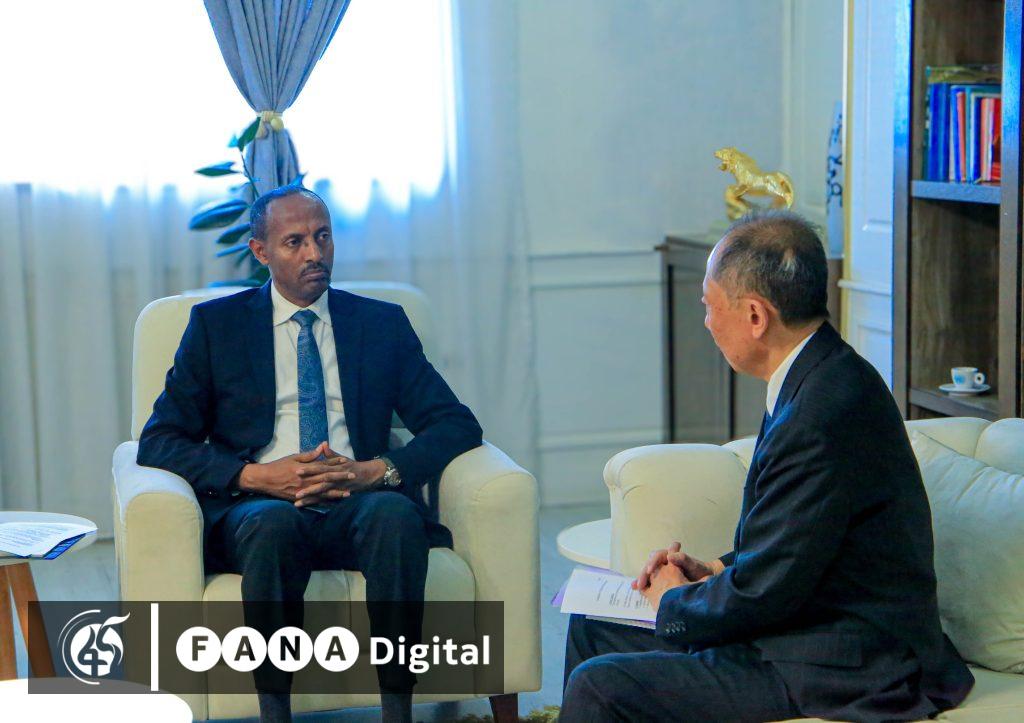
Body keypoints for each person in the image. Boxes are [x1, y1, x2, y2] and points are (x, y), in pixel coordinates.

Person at [561, 210, 974, 722]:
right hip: (803, 620)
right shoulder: (820, 372)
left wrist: (673, 601)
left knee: (600, 686)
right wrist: (714, 570)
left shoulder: (820, 414)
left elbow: (764, 594)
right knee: (592, 626)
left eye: (710, 305)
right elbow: (796, 545)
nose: (707, 322)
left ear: (756, 316)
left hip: (843, 658)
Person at [137, 185, 483, 723]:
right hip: (260, 508)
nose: (314, 254)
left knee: (394, 517)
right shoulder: (217, 328)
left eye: (322, 237)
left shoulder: (379, 325)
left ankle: (398, 708)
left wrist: (378, 471)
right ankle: (275, 711)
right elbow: (159, 440)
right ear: (261, 251)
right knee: (272, 526)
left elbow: (456, 423)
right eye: (294, 242)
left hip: (357, 502)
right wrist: (254, 476)